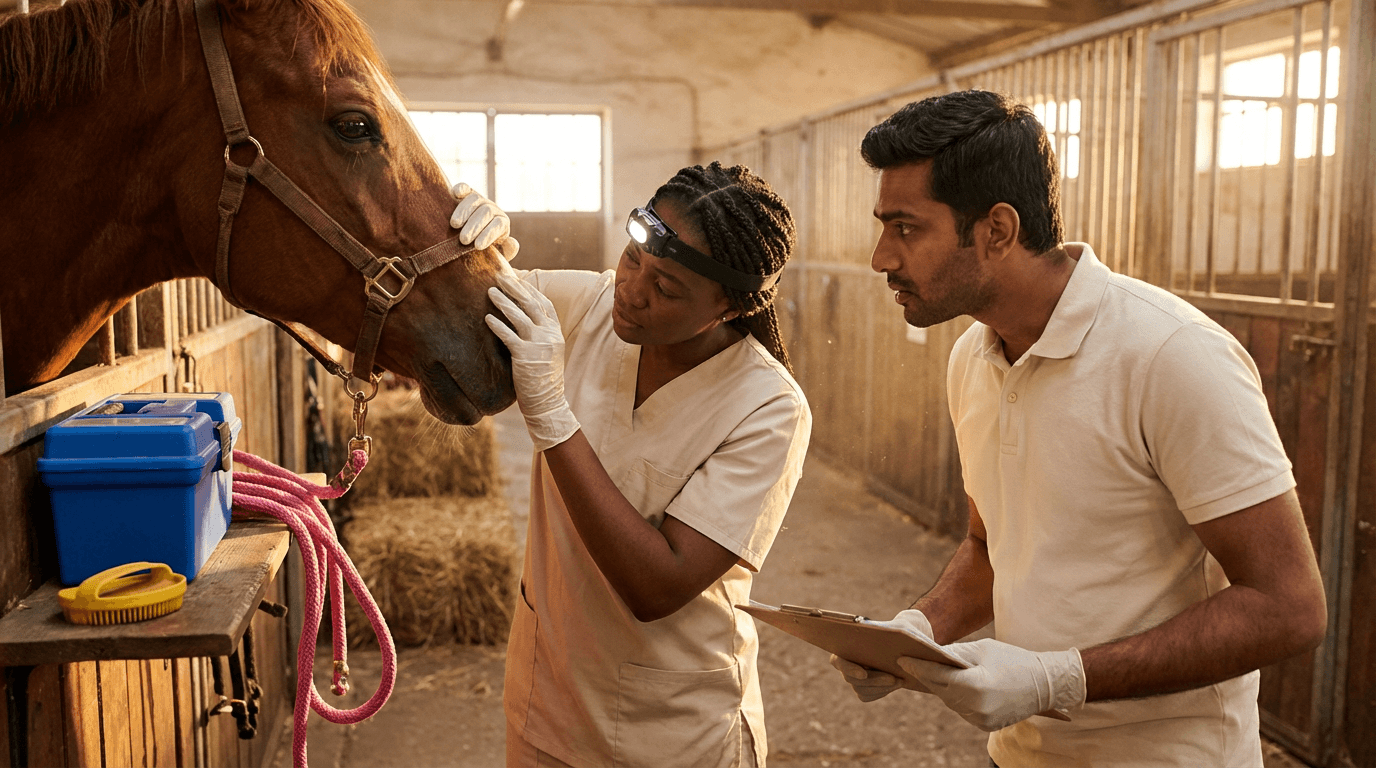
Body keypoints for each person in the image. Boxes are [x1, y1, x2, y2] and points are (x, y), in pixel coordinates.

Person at [827, 89, 1327, 766]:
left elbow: (1290, 606)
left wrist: (1056, 678)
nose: (881, 256)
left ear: (997, 231)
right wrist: (917, 631)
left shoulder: (1171, 355)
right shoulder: (974, 354)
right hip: (1025, 754)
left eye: (906, 228)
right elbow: (991, 544)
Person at [451, 163, 812, 768]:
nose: (632, 288)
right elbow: (447, 313)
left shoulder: (767, 408)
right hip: (547, 707)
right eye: (632, 259)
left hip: (671, 734)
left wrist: (552, 417)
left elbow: (658, 584)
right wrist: (457, 249)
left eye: (667, 289)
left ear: (728, 307)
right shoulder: (589, 305)